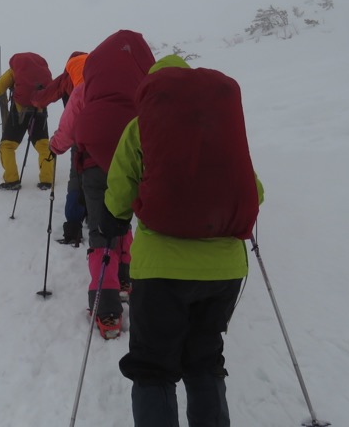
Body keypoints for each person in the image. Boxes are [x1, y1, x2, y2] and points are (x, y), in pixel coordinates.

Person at [102, 54, 265, 427]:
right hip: (224, 272)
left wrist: (114, 220)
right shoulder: (220, 125)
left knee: (153, 367)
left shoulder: (142, 124)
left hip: (160, 272)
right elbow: (254, 189)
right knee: (204, 360)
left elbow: (119, 193)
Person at [60, 29, 155, 339]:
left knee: (102, 227)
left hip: (94, 164)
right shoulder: (145, 87)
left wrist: (55, 147)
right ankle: (126, 279)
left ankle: (107, 309)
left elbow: (70, 124)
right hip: (136, 159)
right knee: (123, 219)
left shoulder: (87, 87)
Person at [0, 52, 55, 190]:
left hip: (19, 113)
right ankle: (47, 180)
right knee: (43, 146)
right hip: (40, 111)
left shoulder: (15, 70)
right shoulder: (42, 71)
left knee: (7, 146)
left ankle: (12, 180)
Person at [34, 51, 88, 246]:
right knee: (101, 174)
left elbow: (43, 99)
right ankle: (95, 215)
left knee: (77, 175)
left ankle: (73, 228)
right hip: (106, 132)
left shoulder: (68, 75)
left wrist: (36, 94)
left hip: (79, 132)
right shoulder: (100, 71)